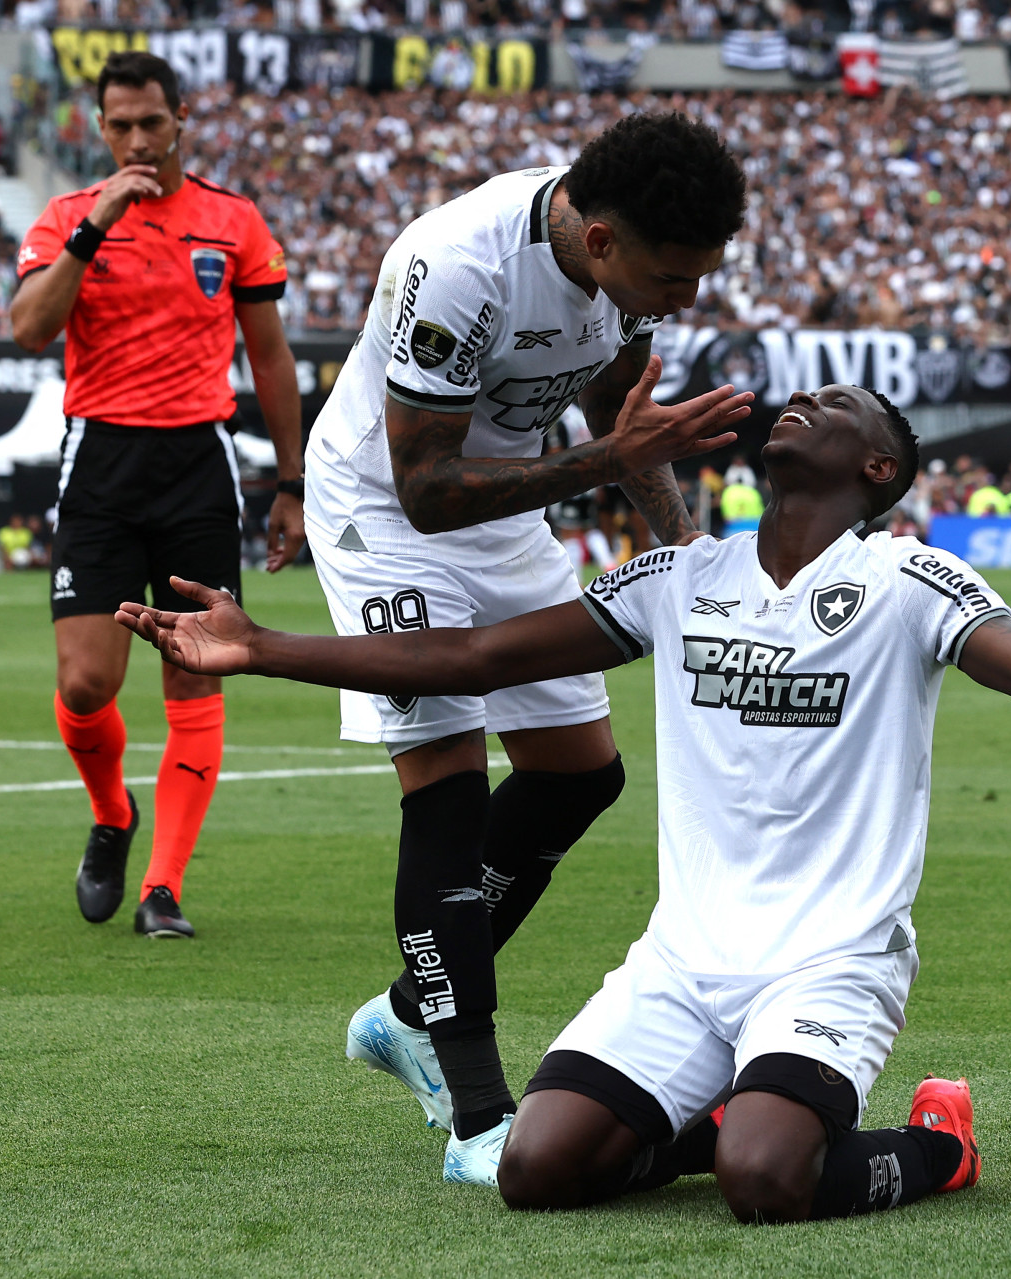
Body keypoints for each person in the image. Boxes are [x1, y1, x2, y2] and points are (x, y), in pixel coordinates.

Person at [116, 381, 1011, 1222]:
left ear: (880, 469)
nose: (805, 404)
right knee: (537, 1169)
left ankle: (938, 1146)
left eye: (840, 406)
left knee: (766, 1181)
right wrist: (264, 647)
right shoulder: (683, 577)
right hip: (684, 958)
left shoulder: (908, 578)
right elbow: (475, 659)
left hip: (831, 958)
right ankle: (714, 1109)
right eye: (805, 396)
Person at [301, 110, 753, 1182]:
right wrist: (604, 462)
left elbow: (616, 414)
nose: (684, 298)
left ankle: (413, 1010)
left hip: (500, 509)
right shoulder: (457, 267)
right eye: (672, 278)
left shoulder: (617, 276)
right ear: (601, 241)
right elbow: (426, 486)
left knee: (579, 774)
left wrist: (690, 563)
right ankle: (475, 1118)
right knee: (447, 787)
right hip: (386, 516)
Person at [11, 51, 306, 940]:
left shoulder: (232, 221)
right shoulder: (66, 218)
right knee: (87, 681)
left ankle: (163, 888)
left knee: (196, 674)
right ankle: (112, 815)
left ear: (182, 117)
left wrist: (292, 482)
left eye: (152, 121)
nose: (138, 139)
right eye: (120, 125)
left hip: (196, 468)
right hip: (99, 462)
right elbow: (29, 328)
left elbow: (270, 356)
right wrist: (93, 227)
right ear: (100, 130)